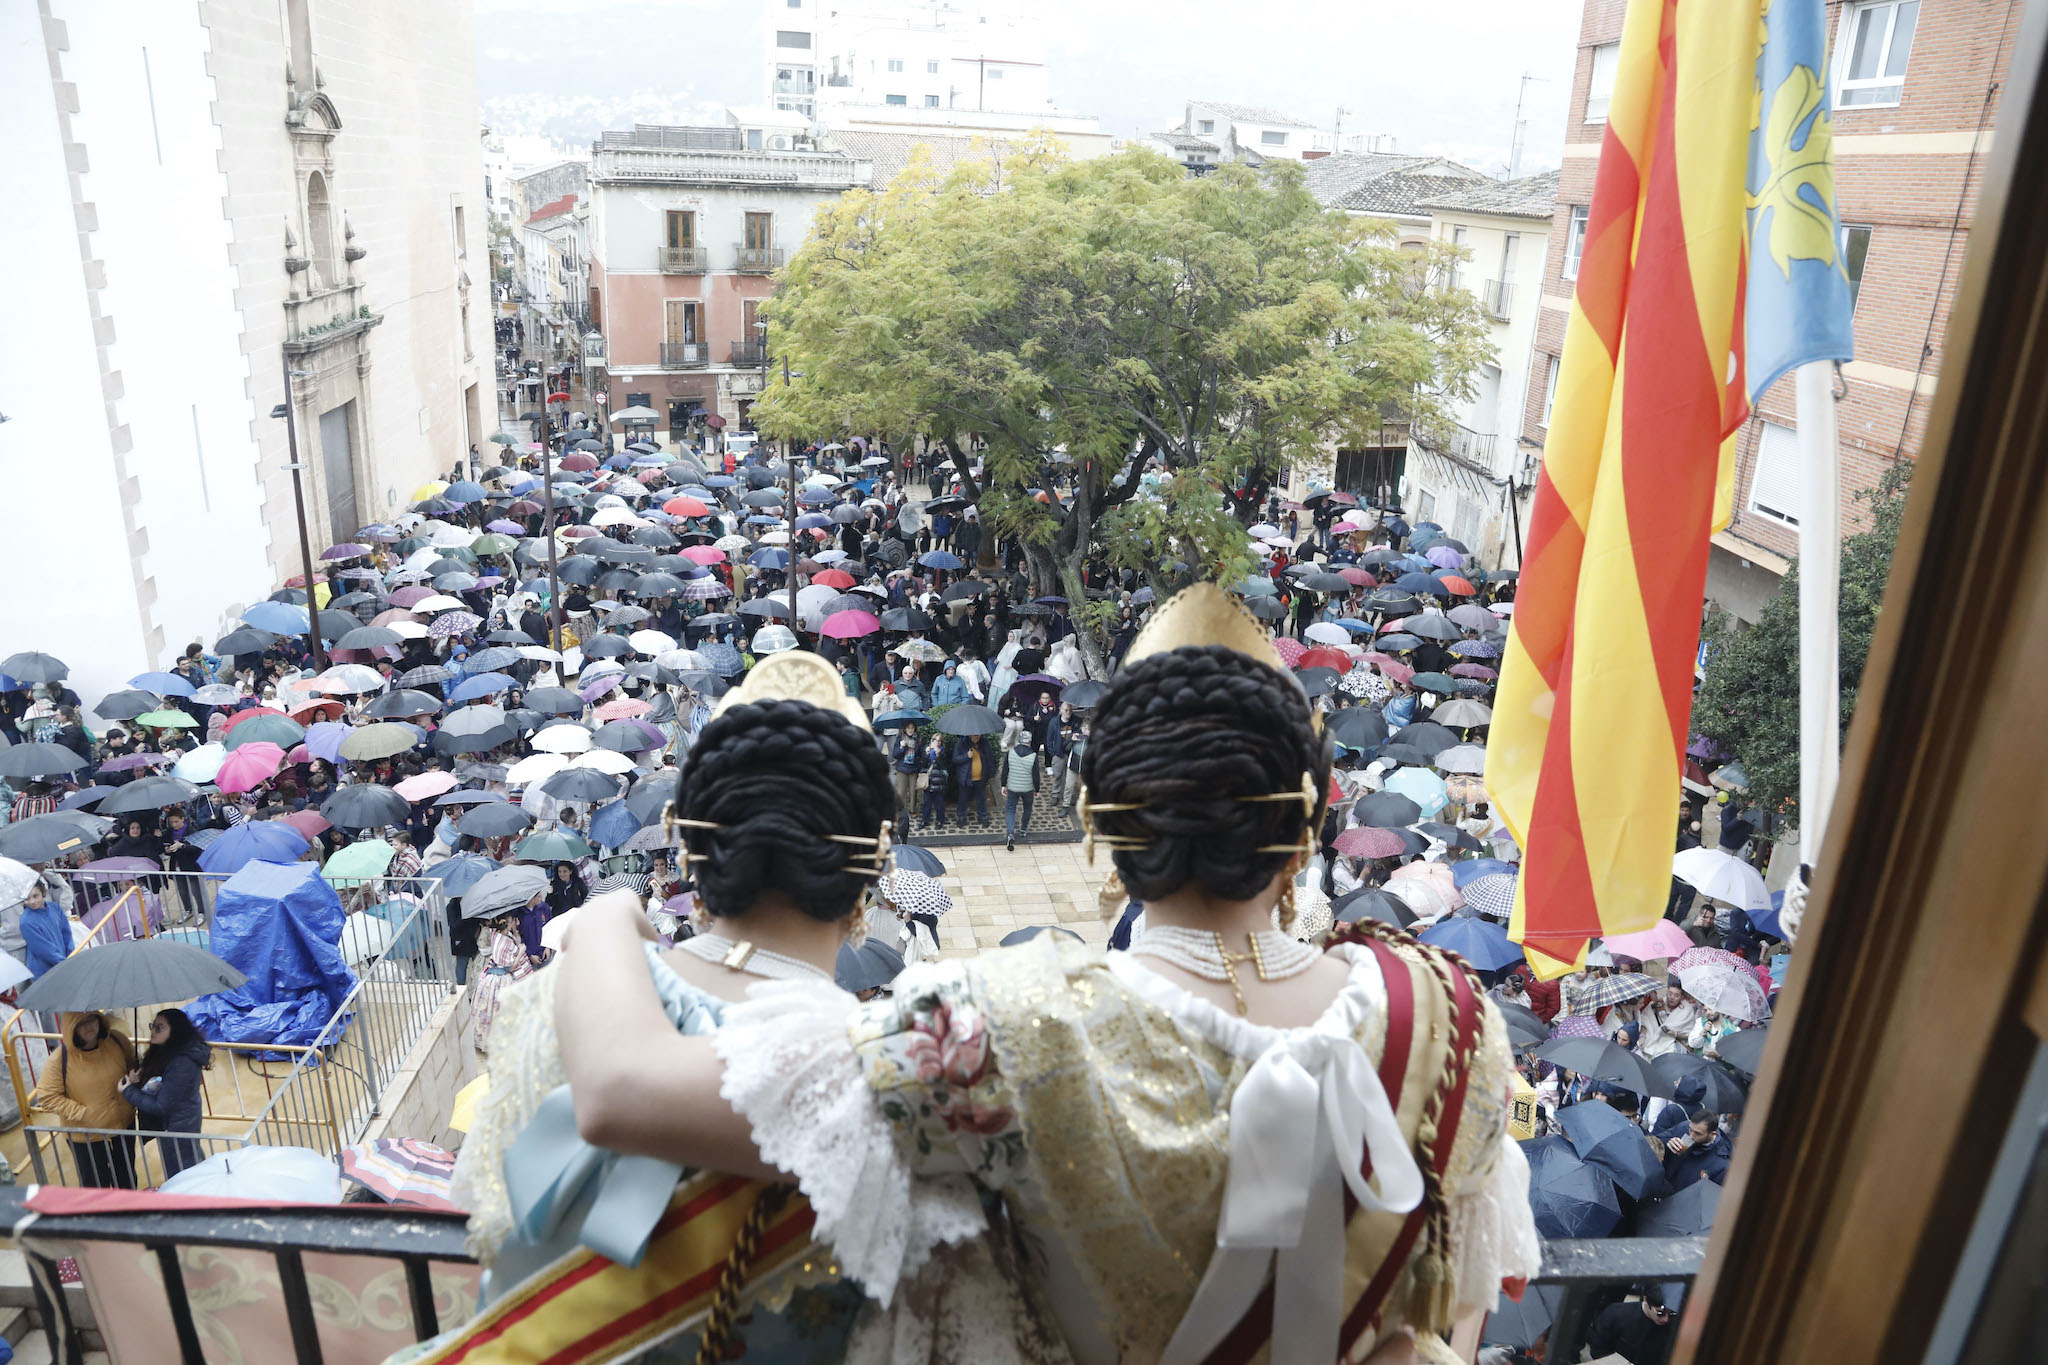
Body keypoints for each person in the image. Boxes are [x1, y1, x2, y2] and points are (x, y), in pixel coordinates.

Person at [552, 583, 1539, 1363]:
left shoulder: (1003, 1027)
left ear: (1102, 833)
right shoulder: (1445, 1013)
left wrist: (600, 920)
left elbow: (620, 1092)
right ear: (1305, 827)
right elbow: (1459, 1302)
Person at [415, 654, 899, 1362]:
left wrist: (606, 922)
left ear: (692, 849)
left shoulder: (562, 991)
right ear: (868, 870)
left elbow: (497, 1230)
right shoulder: (890, 1053)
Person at [32, 1011, 139, 1188]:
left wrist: (135, 1075)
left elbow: (131, 1065)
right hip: (87, 1135)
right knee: (95, 1185)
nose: (89, 1026)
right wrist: (84, 1113)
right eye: (81, 1023)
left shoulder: (117, 1041)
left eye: (92, 1020)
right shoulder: (59, 1059)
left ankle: (128, 1213)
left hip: (123, 1126)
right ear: (71, 1028)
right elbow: (47, 1097)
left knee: (126, 1176)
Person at [121, 1008, 212, 1180]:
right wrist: (138, 1080)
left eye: (159, 1028)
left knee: (184, 1170)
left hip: (179, 1126)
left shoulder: (182, 1062)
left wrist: (128, 1091)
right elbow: (159, 1083)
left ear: (175, 1031)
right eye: (153, 1026)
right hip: (173, 1123)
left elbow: (161, 1106)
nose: (153, 1031)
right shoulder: (168, 1052)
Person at [1584, 1284, 1677, 1364]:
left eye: (1671, 1313)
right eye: (1660, 1313)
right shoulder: (1615, 1315)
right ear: (1646, 1300)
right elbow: (1598, 1350)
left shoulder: (1675, 1325)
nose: (1666, 1319)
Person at [1002, 737, 1039, 851]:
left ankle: (1010, 833)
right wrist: (1037, 789)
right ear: (1029, 742)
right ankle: (1023, 829)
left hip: (1013, 787)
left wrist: (1003, 785)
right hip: (1027, 788)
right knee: (1027, 808)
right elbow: (1035, 775)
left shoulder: (1011, 752)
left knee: (1010, 809)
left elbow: (1005, 770)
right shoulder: (1033, 756)